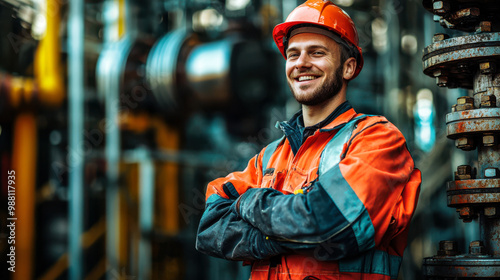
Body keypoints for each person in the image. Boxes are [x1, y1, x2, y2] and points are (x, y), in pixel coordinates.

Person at [196, 0, 421, 279]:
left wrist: (249, 202)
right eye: (293, 54)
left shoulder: (378, 140)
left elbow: (333, 223)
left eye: (316, 53)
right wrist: (285, 236)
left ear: (348, 68)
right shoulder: (271, 156)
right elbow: (209, 228)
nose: (301, 63)